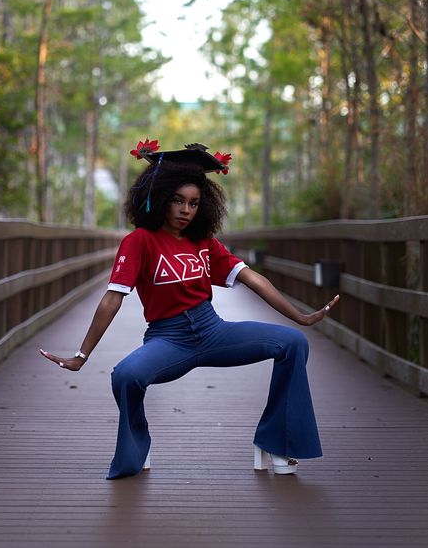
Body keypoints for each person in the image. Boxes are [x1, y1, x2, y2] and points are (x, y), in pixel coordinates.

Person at [40, 140, 339, 479]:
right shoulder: (139, 241)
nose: (186, 210)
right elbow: (113, 297)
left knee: (292, 343)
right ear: (160, 198)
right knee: (126, 375)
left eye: (194, 203)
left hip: (213, 331)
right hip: (169, 339)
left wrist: (299, 317)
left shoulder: (204, 243)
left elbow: (252, 278)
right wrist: (82, 355)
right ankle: (137, 445)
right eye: (178, 201)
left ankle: (276, 442)